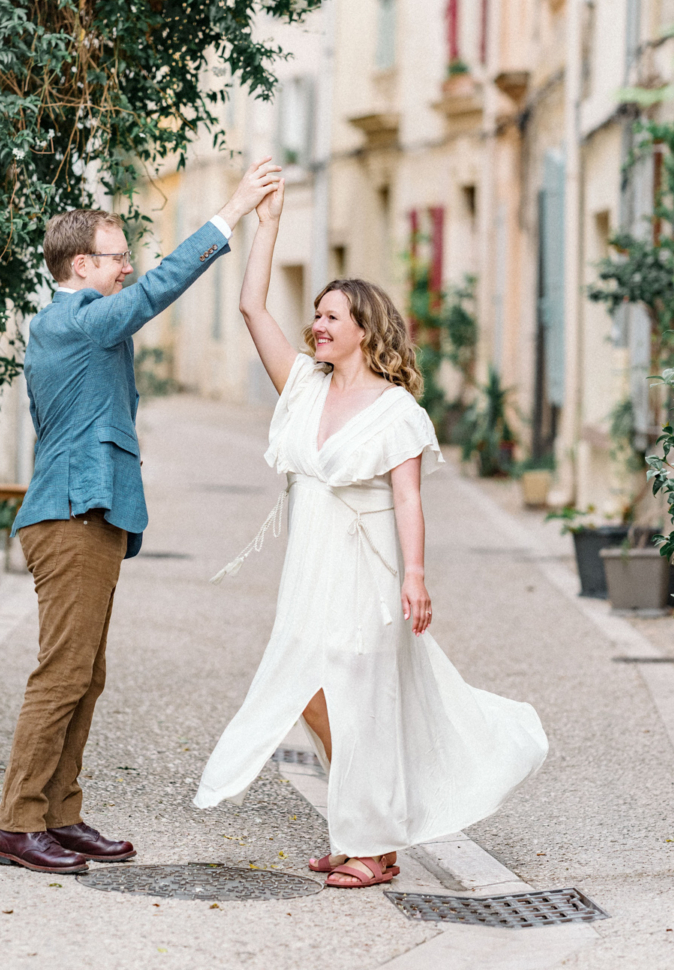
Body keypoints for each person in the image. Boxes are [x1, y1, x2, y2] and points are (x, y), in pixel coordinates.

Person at [194, 177, 548, 888]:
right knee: (309, 693)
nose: (318, 325)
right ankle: (358, 826)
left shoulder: (396, 411)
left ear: (364, 328)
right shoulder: (302, 385)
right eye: (316, 315)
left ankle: (375, 845)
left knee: (363, 697)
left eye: (332, 316)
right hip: (309, 571)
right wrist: (268, 224)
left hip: (368, 570)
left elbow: (409, 499)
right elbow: (249, 305)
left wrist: (414, 578)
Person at [0, 158, 281, 876]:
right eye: (119, 258)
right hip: (70, 513)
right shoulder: (74, 322)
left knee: (85, 673)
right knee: (62, 673)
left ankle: (59, 814)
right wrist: (232, 212)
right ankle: (17, 824)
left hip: (91, 512)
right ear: (84, 263)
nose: (129, 268)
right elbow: (154, 292)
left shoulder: (84, 325)